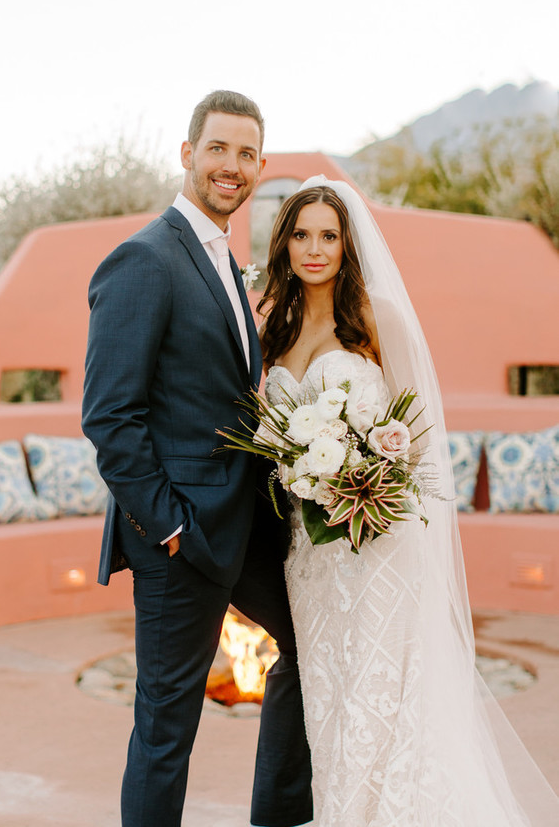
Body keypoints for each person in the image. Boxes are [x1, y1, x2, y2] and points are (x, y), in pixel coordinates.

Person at [258, 176, 559, 826]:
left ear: (347, 244)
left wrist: (359, 476)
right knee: (330, 698)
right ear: (285, 244)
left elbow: (416, 435)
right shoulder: (274, 329)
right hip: (310, 554)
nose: (316, 249)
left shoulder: (376, 316)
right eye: (302, 235)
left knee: (383, 695)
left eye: (329, 235)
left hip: (377, 543)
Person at [82, 90, 312, 827]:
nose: (231, 166)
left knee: (314, 644)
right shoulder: (145, 259)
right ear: (188, 154)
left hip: (241, 523)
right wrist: (170, 527)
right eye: (218, 148)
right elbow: (110, 417)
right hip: (180, 536)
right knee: (166, 727)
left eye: (247, 154)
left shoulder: (223, 260)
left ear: (261, 166)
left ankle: (278, 814)